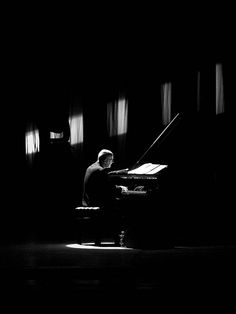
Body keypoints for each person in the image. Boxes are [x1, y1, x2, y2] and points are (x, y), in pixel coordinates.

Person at [82, 149, 127, 245]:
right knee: (124, 209)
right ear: (105, 160)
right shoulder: (100, 171)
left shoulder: (92, 167)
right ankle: (120, 238)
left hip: (88, 201)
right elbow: (109, 189)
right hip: (97, 203)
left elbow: (104, 187)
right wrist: (121, 188)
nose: (112, 162)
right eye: (111, 160)